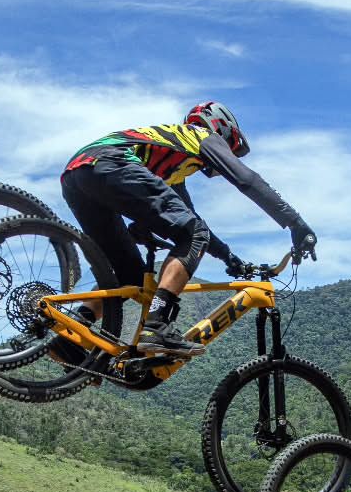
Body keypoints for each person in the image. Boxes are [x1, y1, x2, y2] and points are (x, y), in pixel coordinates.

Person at [58, 102, 316, 357]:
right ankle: (156, 324)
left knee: (130, 277)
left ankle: (71, 336)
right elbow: (247, 180)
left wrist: (229, 258)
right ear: (221, 129)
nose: (225, 158)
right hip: (110, 163)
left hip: (76, 175)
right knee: (194, 234)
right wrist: (296, 223)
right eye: (230, 150)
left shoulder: (175, 166)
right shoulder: (202, 135)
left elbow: (191, 218)